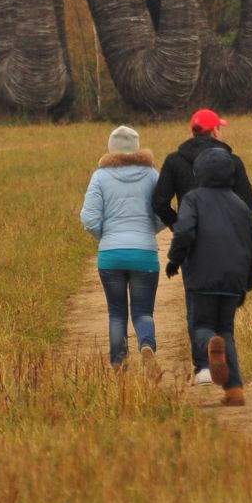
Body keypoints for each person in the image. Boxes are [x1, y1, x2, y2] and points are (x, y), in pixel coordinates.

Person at [153, 107, 252, 384]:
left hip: (193, 243)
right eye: (220, 128)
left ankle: (202, 367)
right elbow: (250, 204)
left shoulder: (175, 161)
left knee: (196, 305)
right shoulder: (232, 161)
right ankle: (228, 372)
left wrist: (177, 224)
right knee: (225, 315)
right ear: (214, 131)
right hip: (229, 244)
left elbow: (159, 202)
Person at [165, 146, 252, 407]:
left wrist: (174, 260)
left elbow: (184, 232)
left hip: (202, 278)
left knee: (202, 327)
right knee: (226, 331)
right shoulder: (240, 205)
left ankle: (210, 344)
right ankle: (234, 390)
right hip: (233, 280)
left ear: (199, 173)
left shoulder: (193, 199)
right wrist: (249, 281)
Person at [80, 125, 163, 369]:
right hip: (145, 254)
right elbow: (162, 213)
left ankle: (118, 365)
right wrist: (149, 233)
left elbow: (89, 218)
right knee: (143, 312)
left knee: (116, 313)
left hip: (111, 255)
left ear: (111, 148)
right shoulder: (152, 175)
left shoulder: (100, 177)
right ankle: (147, 345)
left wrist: (105, 237)